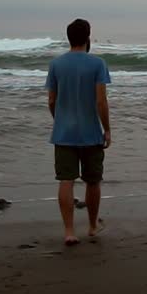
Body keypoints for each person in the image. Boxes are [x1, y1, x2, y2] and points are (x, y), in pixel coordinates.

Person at [46, 18, 112, 246]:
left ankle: (69, 231)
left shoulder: (56, 64)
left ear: (68, 38)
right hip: (91, 132)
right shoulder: (97, 64)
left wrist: (60, 120)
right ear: (88, 38)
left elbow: (52, 100)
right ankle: (93, 226)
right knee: (93, 181)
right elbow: (101, 102)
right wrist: (108, 129)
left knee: (66, 180)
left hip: (64, 133)